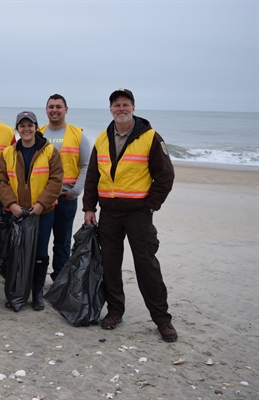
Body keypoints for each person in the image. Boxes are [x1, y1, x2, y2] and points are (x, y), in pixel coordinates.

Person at [82, 88, 177, 342]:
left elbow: (165, 175)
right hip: (109, 215)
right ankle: (115, 311)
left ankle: (162, 320)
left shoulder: (150, 137)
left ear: (133, 107)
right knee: (110, 265)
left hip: (138, 215)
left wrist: (151, 205)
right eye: (116, 105)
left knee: (146, 265)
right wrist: (89, 207)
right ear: (111, 109)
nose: (121, 109)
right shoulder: (102, 139)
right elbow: (93, 176)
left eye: (125, 104)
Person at [0, 111, 63, 311]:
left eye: (30, 125)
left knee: (40, 253)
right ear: (17, 129)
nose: (26, 129)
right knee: (16, 252)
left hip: (42, 212)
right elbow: (0, 181)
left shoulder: (50, 151)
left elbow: (56, 180)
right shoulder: (8, 153)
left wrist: (41, 204)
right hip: (16, 213)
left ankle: (37, 293)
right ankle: (17, 291)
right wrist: (11, 205)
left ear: (36, 127)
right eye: (22, 126)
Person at [39, 94, 92, 280]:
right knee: (40, 242)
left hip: (65, 198)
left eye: (58, 106)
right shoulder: (39, 133)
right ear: (46, 110)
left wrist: (75, 191)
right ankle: (36, 281)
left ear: (66, 110)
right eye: (51, 106)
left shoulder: (78, 135)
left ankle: (59, 282)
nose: (54, 110)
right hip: (42, 200)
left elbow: (87, 164)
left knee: (62, 243)